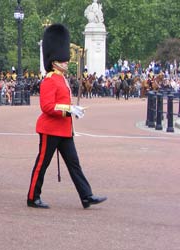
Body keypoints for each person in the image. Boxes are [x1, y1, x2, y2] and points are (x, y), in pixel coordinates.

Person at [27, 24, 107, 209]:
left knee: (74, 165)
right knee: (42, 164)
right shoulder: (49, 79)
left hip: (64, 130)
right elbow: (46, 107)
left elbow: (63, 103)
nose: (66, 62)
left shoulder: (62, 78)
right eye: (63, 60)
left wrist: (73, 110)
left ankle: (86, 196)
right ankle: (32, 197)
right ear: (54, 61)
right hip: (50, 129)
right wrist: (68, 109)